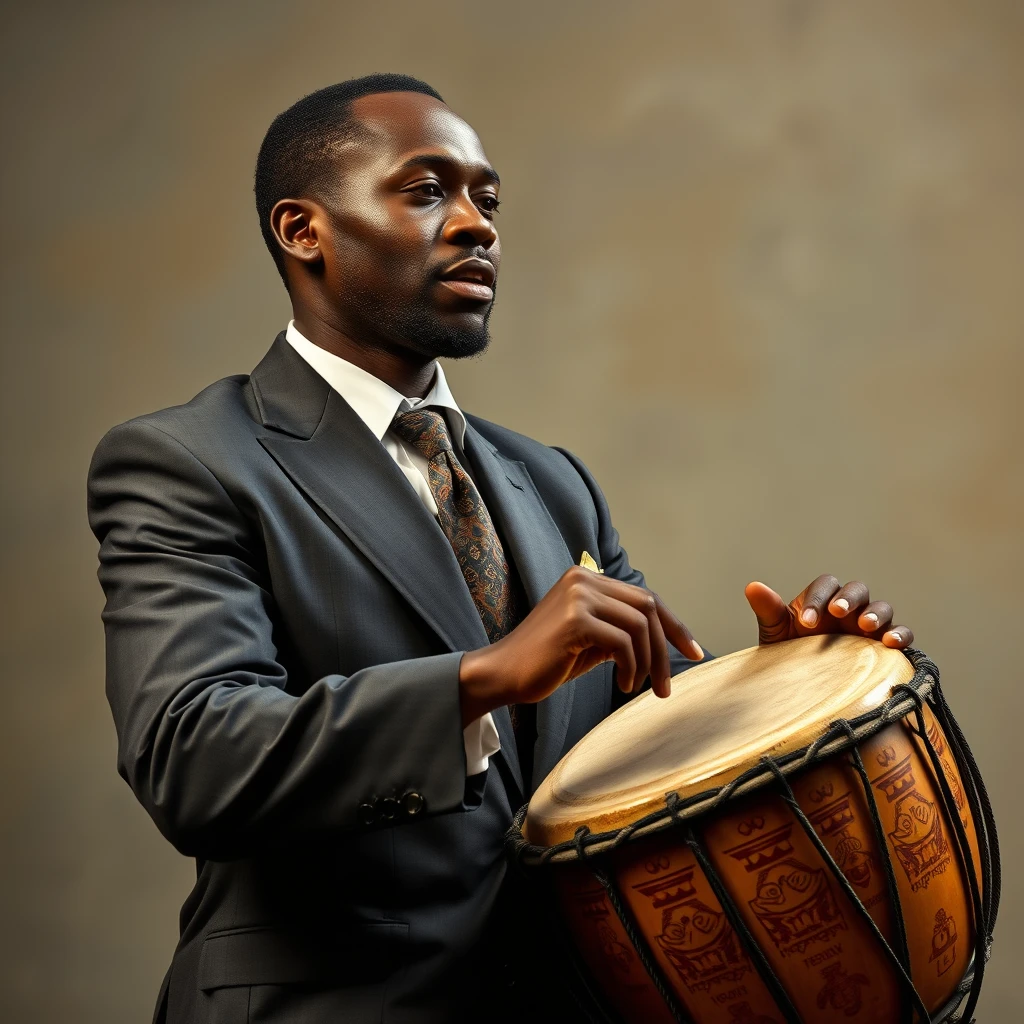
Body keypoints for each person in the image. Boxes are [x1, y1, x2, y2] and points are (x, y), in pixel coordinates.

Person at [87, 73, 914, 1024]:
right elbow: (194, 760)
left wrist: (773, 690)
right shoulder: (189, 462)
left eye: (488, 198)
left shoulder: (553, 482)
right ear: (302, 230)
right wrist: (478, 678)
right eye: (428, 189)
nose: (478, 224)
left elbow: (631, 749)